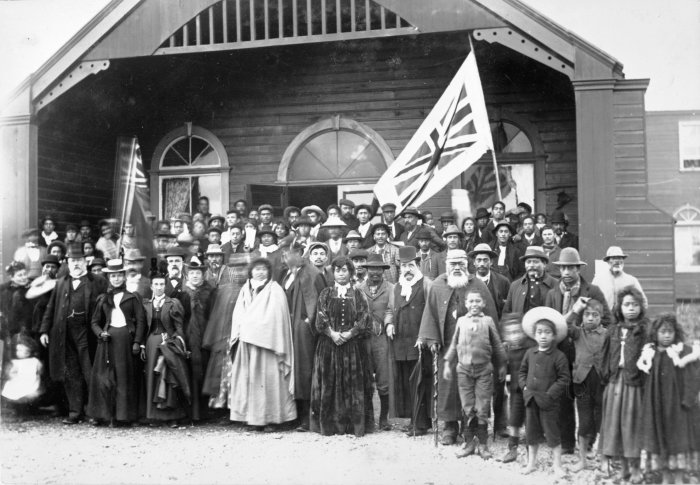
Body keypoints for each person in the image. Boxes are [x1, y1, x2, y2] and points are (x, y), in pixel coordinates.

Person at [417, 249, 498, 446]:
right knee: (448, 387)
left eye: (460, 264)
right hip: (447, 347)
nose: (457, 268)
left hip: (474, 347)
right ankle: (450, 427)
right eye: (453, 264)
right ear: (447, 265)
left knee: (471, 388)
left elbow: (491, 316)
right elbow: (430, 314)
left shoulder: (477, 284)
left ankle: (469, 427)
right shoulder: (437, 285)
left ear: (466, 265)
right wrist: (432, 339)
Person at [545, 247, 611, 454]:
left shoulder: (593, 291)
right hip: (562, 353)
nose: (566, 272)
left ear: (578, 269)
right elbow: (548, 324)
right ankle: (567, 444)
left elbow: (607, 321)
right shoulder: (553, 293)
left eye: (570, 267)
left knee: (588, 400)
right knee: (564, 399)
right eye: (563, 267)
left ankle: (588, 441)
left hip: (587, 354)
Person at [39, 243, 108, 424]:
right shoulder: (61, 283)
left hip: (88, 335)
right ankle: (75, 412)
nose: (76, 264)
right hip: (64, 335)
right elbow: (51, 307)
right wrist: (44, 330)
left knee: (90, 373)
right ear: (67, 263)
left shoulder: (98, 281)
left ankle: (94, 413)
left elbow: (107, 307)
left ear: (86, 261)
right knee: (71, 374)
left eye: (79, 260)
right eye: (72, 261)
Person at [229, 258, 296, 428]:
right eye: (256, 269)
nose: (260, 272)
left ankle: (272, 418)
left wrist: (255, 327)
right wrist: (243, 328)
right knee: (250, 380)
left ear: (269, 271)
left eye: (263, 269)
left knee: (269, 381)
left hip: (268, 344)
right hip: (247, 342)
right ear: (251, 271)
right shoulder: (245, 289)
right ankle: (253, 418)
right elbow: (239, 313)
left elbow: (276, 317)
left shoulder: (275, 290)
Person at [310, 257, 373, 436]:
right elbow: (320, 317)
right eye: (337, 270)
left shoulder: (358, 294)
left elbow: (364, 318)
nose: (341, 273)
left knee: (351, 383)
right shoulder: (326, 293)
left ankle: (353, 427)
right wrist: (332, 333)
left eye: (344, 270)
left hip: (351, 348)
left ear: (350, 272)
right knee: (330, 382)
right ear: (333, 273)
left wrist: (350, 333)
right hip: (329, 347)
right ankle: (330, 426)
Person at [443, 290, 506, 460]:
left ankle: (483, 444)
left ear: (483, 304)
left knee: (483, 406)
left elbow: (498, 345)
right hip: (463, 370)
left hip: (484, 370)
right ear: (465, 304)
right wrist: (447, 364)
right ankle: (469, 442)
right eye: (471, 301)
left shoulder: (488, 321)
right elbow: (454, 344)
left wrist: (502, 365)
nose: (474, 305)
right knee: (467, 406)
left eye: (478, 301)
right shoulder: (461, 322)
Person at [638, 313, 700, 484]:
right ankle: (665, 476)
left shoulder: (682, 352)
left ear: (676, 333)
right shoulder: (651, 354)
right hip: (658, 406)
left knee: (679, 438)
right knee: (660, 437)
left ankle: (679, 477)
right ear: (655, 333)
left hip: (678, 407)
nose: (667, 336)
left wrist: (688, 399)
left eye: (670, 332)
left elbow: (694, 376)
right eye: (663, 332)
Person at [598, 287, 649, 484]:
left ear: (640, 307)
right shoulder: (613, 330)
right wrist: (606, 375)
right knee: (615, 425)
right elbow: (603, 356)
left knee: (631, 426)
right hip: (614, 383)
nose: (631, 309)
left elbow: (649, 357)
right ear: (620, 307)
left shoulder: (644, 331)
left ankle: (636, 468)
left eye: (635, 305)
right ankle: (624, 469)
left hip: (633, 384)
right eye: (627, 305)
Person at [87, 259, 146, 426]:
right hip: (107, 341)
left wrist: (137, 342)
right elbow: (94, 322)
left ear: (124, 276)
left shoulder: (133, 297)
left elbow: (141, 321)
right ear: (108, 277)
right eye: (113, 276)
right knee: (105, 378)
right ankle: (105, 415)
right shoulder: (103, 298)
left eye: (119, 275)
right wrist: (101, 333)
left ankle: (125, 416)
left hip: (126, 340)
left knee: (124, 378)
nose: (116, 279)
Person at [518, 307, 570, 477]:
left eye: (547, 332)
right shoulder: (529, 353)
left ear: (554, 336)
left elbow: (563, 378)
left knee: (553, 433)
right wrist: (524, 387)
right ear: (534, 335)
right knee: (531, 433)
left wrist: (550, 394)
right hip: (531, 400)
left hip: (548, 402)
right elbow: (522, 372)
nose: (543, 336)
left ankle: (557, 465)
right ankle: (531, 463)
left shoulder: (559, 356)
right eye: (539, 332)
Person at [276, 244, 320, 431]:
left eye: (288, 254)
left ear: (300, 254)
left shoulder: (311, 272)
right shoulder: (287, 274)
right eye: (283, 254)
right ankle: (293, 414)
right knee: (291, 369)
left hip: (303, 329)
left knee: (305, 369)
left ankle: (308, 417)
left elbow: (316, 301)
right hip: (287, 326)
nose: (285, 258)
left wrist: (308, 321)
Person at [468, 242, 510, 438]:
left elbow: (508, 312)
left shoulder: (502, 282)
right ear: (474, 263)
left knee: (499, 383)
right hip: (475, 340)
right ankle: (476, 424)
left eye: (485, 259)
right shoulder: (468, 282)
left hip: (497, 339)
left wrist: (505, 339)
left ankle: (501, 424)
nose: (482, 263)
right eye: (478, 260)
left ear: (491, 261)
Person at [389, 246, 432, 436]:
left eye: (410, 265)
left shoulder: (426, 284)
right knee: (407, 383)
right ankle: (413, 420)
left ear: (417, 266)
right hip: (401, 343)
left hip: (419, 342)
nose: (407, 269)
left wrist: (424, 335)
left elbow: (432, 312)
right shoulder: (397, 287)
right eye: (404, 266)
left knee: (420, 382)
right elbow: (390, 309)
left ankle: (421, 423)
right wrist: (389, 323)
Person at [139, 273, 189, 427]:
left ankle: (172, 416)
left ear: (165, 286)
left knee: (168, 378)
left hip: (168, 344)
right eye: (156, 285)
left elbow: (179, 326)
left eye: (162, 284)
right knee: (152, 378)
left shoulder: (173, 303)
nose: (159, 287)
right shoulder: (146, 304)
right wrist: (141, 345)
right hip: (150, 344)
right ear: (151, 287)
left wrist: (174, 341)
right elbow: (142, 326)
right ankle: (154, 416)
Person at [569, 298, 607, 472]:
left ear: (601, 317)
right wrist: (576, 309)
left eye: (595, 315)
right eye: (587, 315)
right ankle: (582, 459)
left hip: (601, 383)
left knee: (601, 421)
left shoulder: (607, 334)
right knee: (584, 421)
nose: (591, 318)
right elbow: (563, 325)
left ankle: (603, 458)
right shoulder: (577, 332)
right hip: (581, 382)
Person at [358, 253, 395, 431]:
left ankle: (384, 418)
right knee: (365, 378)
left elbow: (391, 309)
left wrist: (386, 323)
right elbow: (356, 310)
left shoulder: (391, 288)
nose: (375, 272)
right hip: (363, 339)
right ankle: (368, 418)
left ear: (383, 271)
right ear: (366, 270)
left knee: (384, 378)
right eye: (371, 269)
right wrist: (366, 322)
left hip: (382, 339)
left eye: (378, 269)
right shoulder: (358, 288)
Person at [182, 257, 215, 422]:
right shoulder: (182, 292)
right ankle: (190, 412)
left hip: (204, 335)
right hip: (187, 336)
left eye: (198, 273)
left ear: (203, 275)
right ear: (187, 275)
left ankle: (204, 412)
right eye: (192, 272)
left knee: (204, 368)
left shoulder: (209, 291)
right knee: (188, 370)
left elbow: (212, 314)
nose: (195, 276)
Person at [592, 246, 648, 312]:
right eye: (613, 258)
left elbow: (643, 302)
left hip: (624, 320)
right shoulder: (598, 280)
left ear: (623, 261)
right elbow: (590, 300)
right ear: (608, 261)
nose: (617, 261)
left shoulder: (632, 281)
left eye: (619, 258)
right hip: (605, 319)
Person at [1, 334, 44, 419]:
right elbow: (12, 372)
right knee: (14, 391)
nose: (18, 353)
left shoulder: (35, 361)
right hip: (19, 380)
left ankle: (29, 411)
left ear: (28, 352)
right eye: (17, 350)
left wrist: (37, 375)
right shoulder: (16, 362)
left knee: (30, 393)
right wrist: (13, 376)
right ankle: (18, 411)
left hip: (31, 381)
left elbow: (40, 371)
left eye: (21, 351)